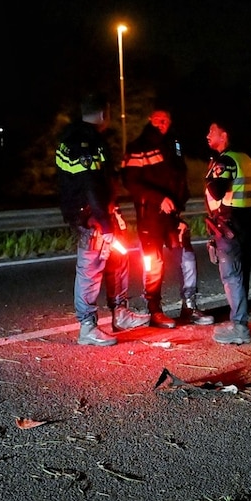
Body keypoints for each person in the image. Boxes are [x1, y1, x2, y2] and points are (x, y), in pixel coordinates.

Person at [55, 92, 150, 346]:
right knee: (91, 267)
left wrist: (112, 212)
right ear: (103, 113)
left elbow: (102, 182)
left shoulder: (86, 139)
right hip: (91, 217)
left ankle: (120, 314)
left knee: (119, 258)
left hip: (102, 211)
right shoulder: (82, 142)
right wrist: (103, 222)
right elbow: (89, 184)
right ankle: (87, 327)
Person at [122, 109, 215, 328]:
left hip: (173, 215)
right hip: (150, 216)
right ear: (149, 119)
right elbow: (131, 183)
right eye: (158, 119)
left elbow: (180, 179)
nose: (162, 123)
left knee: (187, 257)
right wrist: (158, 199)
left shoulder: (174, 145)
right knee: (154, 264)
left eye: (166, 120)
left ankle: (189, 306)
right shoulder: (138, 147)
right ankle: (155, 311)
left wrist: (179, 210)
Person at [203, 119, 251, 344]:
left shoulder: (225, 160)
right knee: (241, 272)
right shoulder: (245, 159)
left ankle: (239, 326)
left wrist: (209, 177)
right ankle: (240, 319)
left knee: (231, 275)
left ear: (224, 135)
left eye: (211, 131)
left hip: (229, 222)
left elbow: (217, 192)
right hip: (246, 220)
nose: (207, 135)